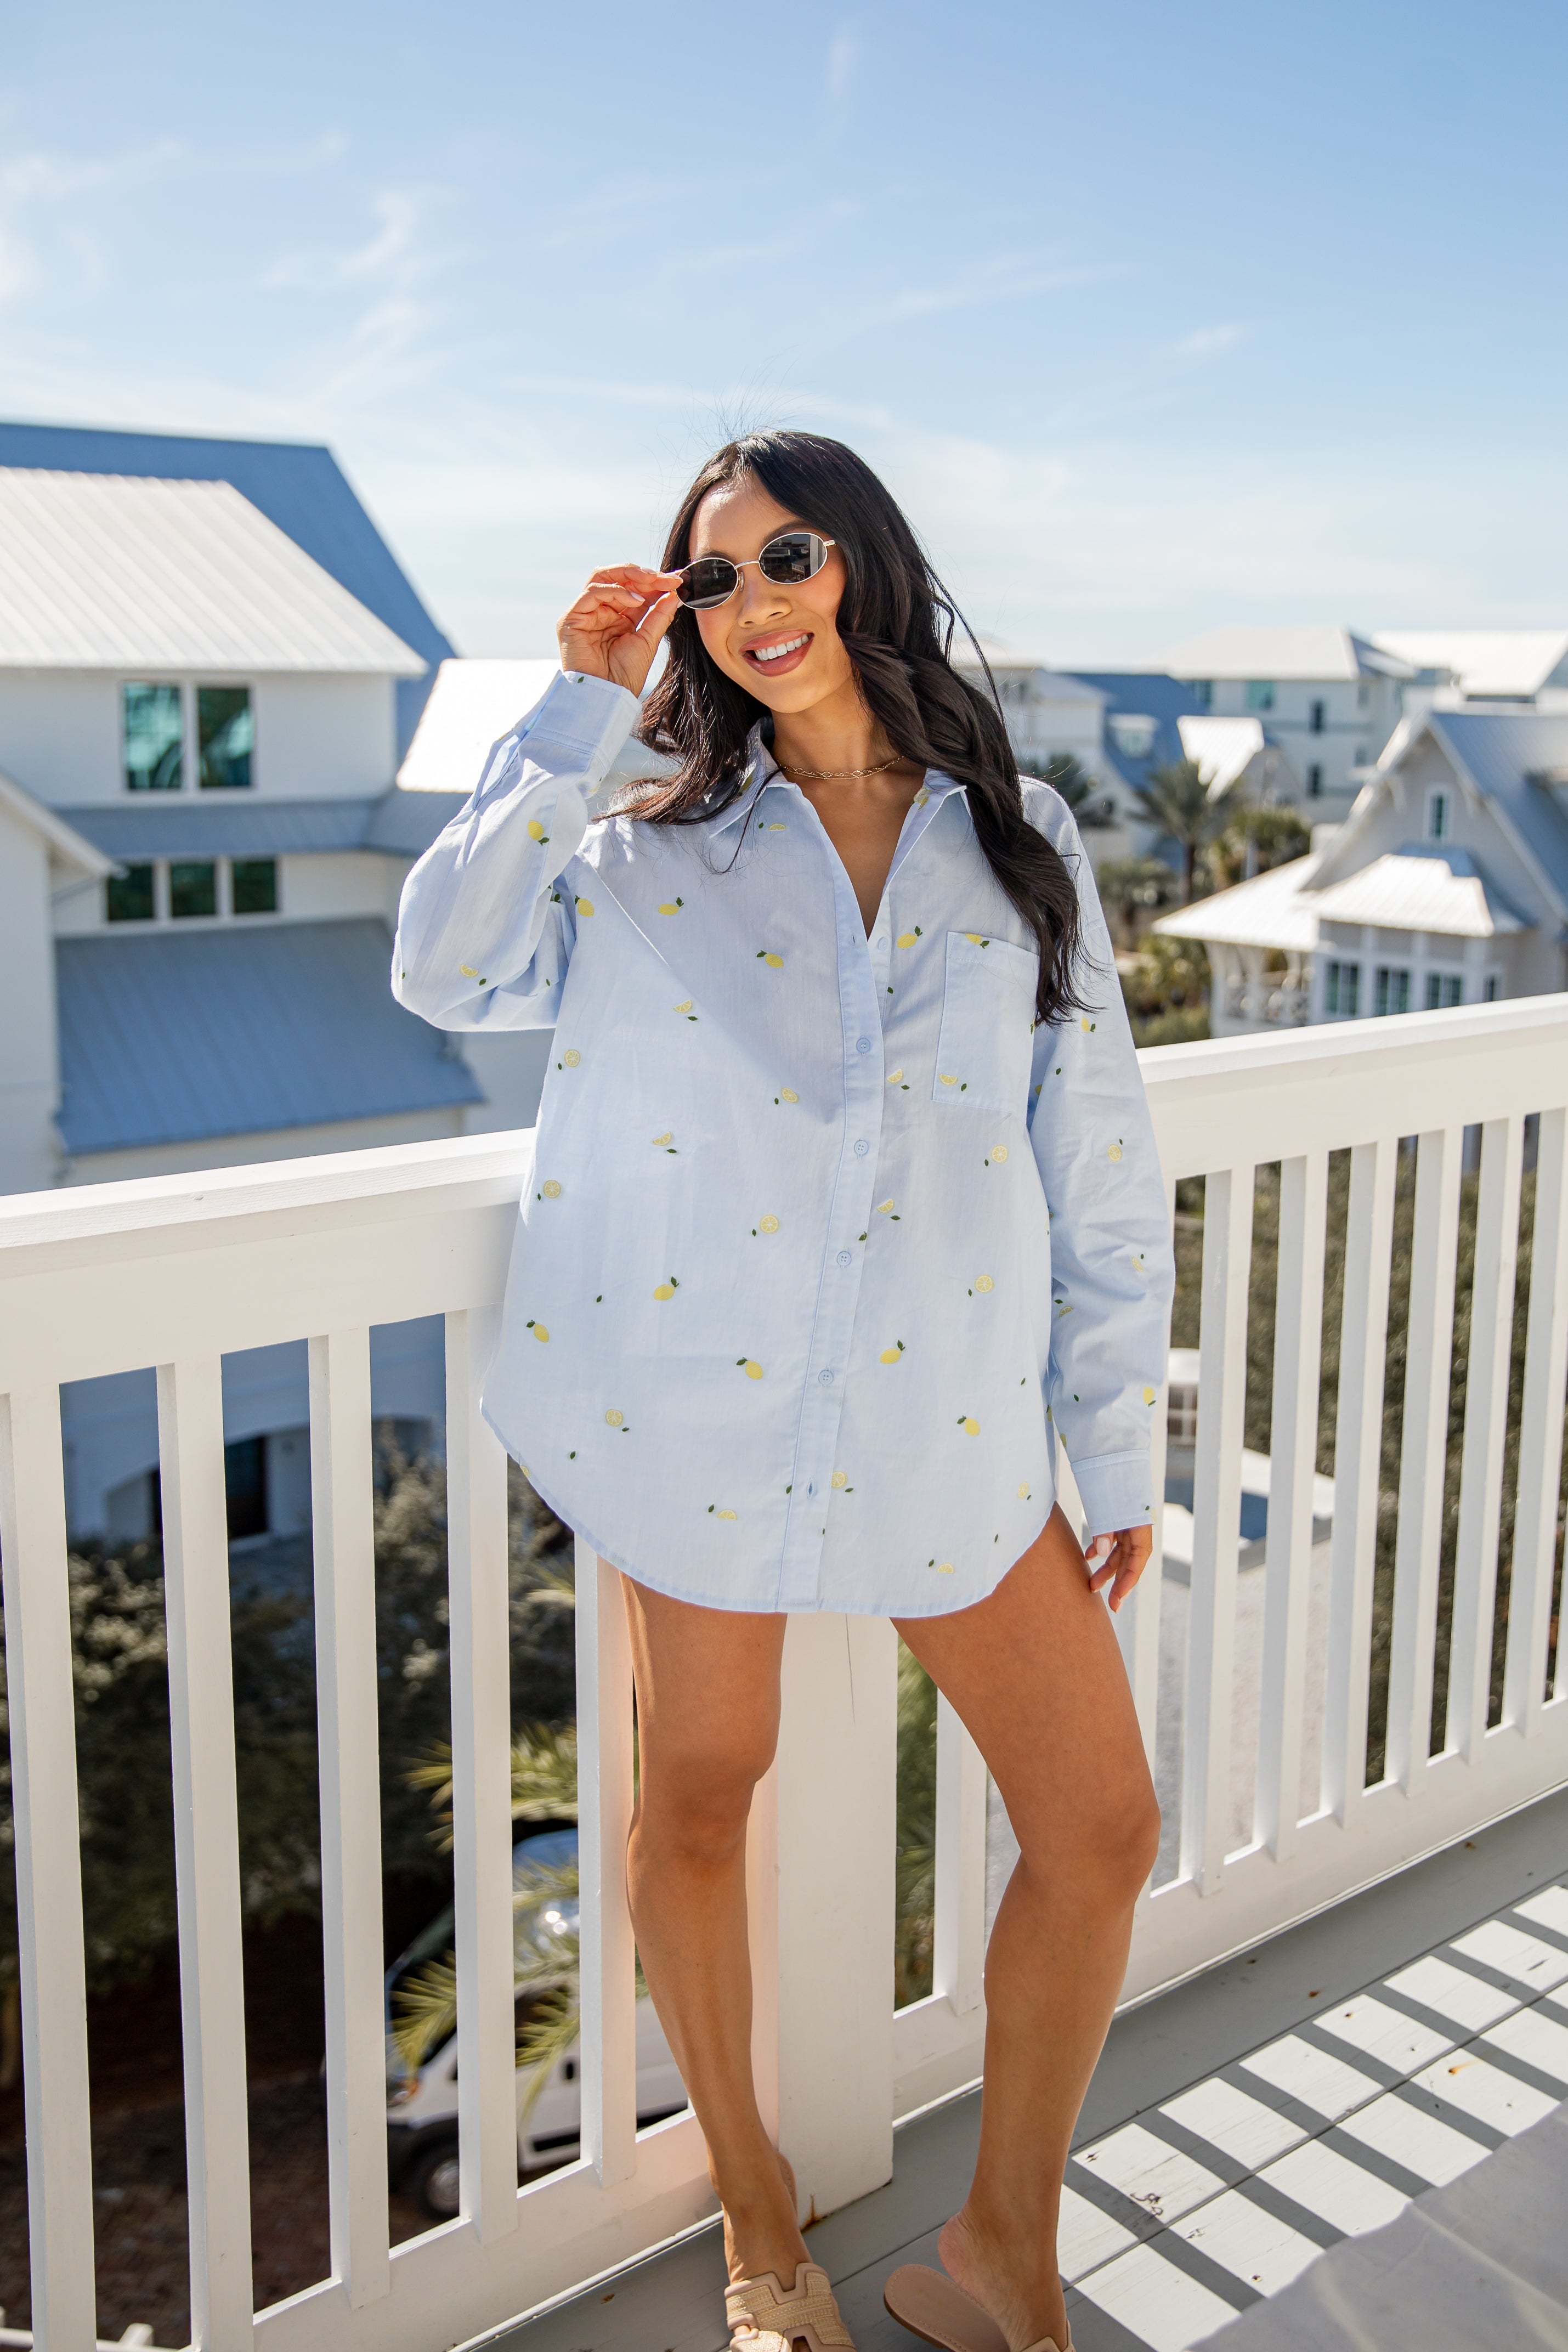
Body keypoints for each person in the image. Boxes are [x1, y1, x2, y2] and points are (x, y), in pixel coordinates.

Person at [393, 432, 1173, 2352]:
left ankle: (1005, 2249)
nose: (756, 605)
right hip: (697, 1415)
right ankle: (755, 2218)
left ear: (862, 567)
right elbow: (443, 969)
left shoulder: (1019, 834)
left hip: (951, 1425)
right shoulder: (640, 834)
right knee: (699, 1798)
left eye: (788, 556)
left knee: (1097, 1825)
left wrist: (1111, 1431)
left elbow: (1095, 1156)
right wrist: (572, 712)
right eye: (712, 579)